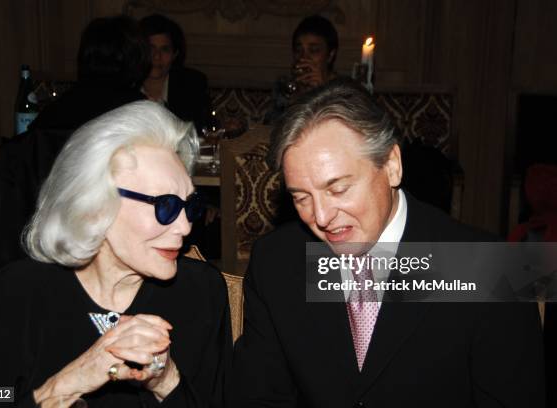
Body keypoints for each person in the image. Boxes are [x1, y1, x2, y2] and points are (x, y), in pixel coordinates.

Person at [230, 79, 544, 407]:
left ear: (392, 166)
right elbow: (259, 396)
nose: (320, 217)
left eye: (338, 189)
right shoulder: (276, 262)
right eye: (301, 197)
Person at [0, 101, 232, 407]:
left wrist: (167, 380)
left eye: (189, 206)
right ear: (94, 206)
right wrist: (68, 383)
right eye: (165, 206)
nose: (184, 226)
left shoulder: (201, 292)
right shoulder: (19, 290)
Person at [0, 15, 149, 281]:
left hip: (42, 249)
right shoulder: (142, 117)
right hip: (113, 250)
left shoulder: (53, 113)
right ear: (137, 59)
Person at [139, 14, 211, 134]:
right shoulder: (122, 86)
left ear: (175, 54)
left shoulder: (193, 84)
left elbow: (201, 132)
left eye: (164, 49)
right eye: (150, 49)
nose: (157, 57)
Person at [265, 14, 339, 124]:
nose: (303, 57)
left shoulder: (343, 89)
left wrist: (322, 92)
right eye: (298, 50)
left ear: (330, 55)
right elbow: (271, 126)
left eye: (314, 50)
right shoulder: (285, 86)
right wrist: (293, 102)